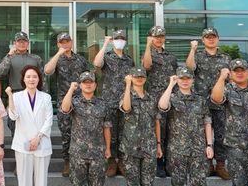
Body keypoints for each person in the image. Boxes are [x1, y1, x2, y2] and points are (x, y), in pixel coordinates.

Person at [158, 67, 214, 186]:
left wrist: (209, 145)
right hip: (177, 148)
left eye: (187, 78)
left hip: (198, 148)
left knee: (199, 184)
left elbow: (207, 122)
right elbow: (162, 106)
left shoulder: (200, 100)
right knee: (178, 184)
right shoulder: (173, 98)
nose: (184, 81)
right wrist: (170, 85)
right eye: (181, 78)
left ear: (192, 80)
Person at [60, 71, 111, 186]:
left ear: (95, 85)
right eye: (84, 82)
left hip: (98, 151)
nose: (88, 84)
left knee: (96, 185)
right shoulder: (75, 101)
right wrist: (70, 89)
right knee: (78, 185)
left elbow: (107, 127)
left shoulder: (102, 103)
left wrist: (108, 148)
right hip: (78, 152)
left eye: (91, 82)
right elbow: (64, 108)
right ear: (80, 85)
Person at [5, 65, 53, 186]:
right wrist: (9, 96)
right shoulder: (16, 96)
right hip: (22, 145)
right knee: (24, 182)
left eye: (34, 76)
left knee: (41, 182)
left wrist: (38, 137)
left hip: (41, 144)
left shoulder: (46, 97)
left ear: (38, 79)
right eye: (28, 76)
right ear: (23, 79)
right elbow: (13, 116)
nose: (31, 79)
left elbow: (49, 120)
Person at [186, 27, 232, 180]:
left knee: (221, 133)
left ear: (218, 38)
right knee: (202, 134)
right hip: (201, 101)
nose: (210, 39)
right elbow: (189, 68)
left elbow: (231, 80)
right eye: (207, 37)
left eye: (213, 37)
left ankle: (220, 164)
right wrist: (192, 50)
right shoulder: (198, 56)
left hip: (220, 102)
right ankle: (206, 164)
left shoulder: (226, 58)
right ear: (203, 40)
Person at [120, 67, 162, 186]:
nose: (139, 79)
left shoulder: (152, 98)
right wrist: (127, 86)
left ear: (145, 78)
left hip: (149, 145)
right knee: (133, 182)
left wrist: (158, 144)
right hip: (131, 146)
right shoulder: (126, 96)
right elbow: (126, 108)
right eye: (135, 76)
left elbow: (157, 122)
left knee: (148, 182)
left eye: (141, 76)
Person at [44, 32, 90, 177]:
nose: (65, 44)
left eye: (67, 41)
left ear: (72, 42)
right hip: (64, 101)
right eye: (62, 42)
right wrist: (59, 53)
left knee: (83, 132)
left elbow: (89, 79)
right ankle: (67, 162)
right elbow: (47, 71)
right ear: (58, 44)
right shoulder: (57, 59)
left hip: (81, 101)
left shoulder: (81, 60)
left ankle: (81, 162)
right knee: (66, 133)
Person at [92, 30, 134, 177]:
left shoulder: (129, 60)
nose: (120, 41)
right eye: (117, 39)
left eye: (122, 38)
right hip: (108, 100)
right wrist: (105, 44)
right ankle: (110, 161)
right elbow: (97, 63)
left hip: (124, 101)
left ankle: (121, 161)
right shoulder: (107, 57)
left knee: (123, 132)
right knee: (109, 132)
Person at [142, 25, 178, 178]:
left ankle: (171, 162)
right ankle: (159, 161)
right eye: (156, 36)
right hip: (155, 97)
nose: (159, 39)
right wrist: (148, 45)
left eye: (161, 36)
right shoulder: (147, 53)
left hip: (171, 96)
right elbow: (147, 65)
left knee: (171, 129)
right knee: (159, 130)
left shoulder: (170, 56)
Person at [0, 31, 43, 135]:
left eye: (24, 41)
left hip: (33, 94)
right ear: (15, 43)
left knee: (33, 124)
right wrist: (9, 55)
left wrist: (42, 95)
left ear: (28, 43)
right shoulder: (9, 58)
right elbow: (1, 71)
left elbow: (42, 78)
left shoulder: (35, 58)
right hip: (15, 95)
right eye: (19, 41)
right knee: (13, 124)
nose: (22, 44)